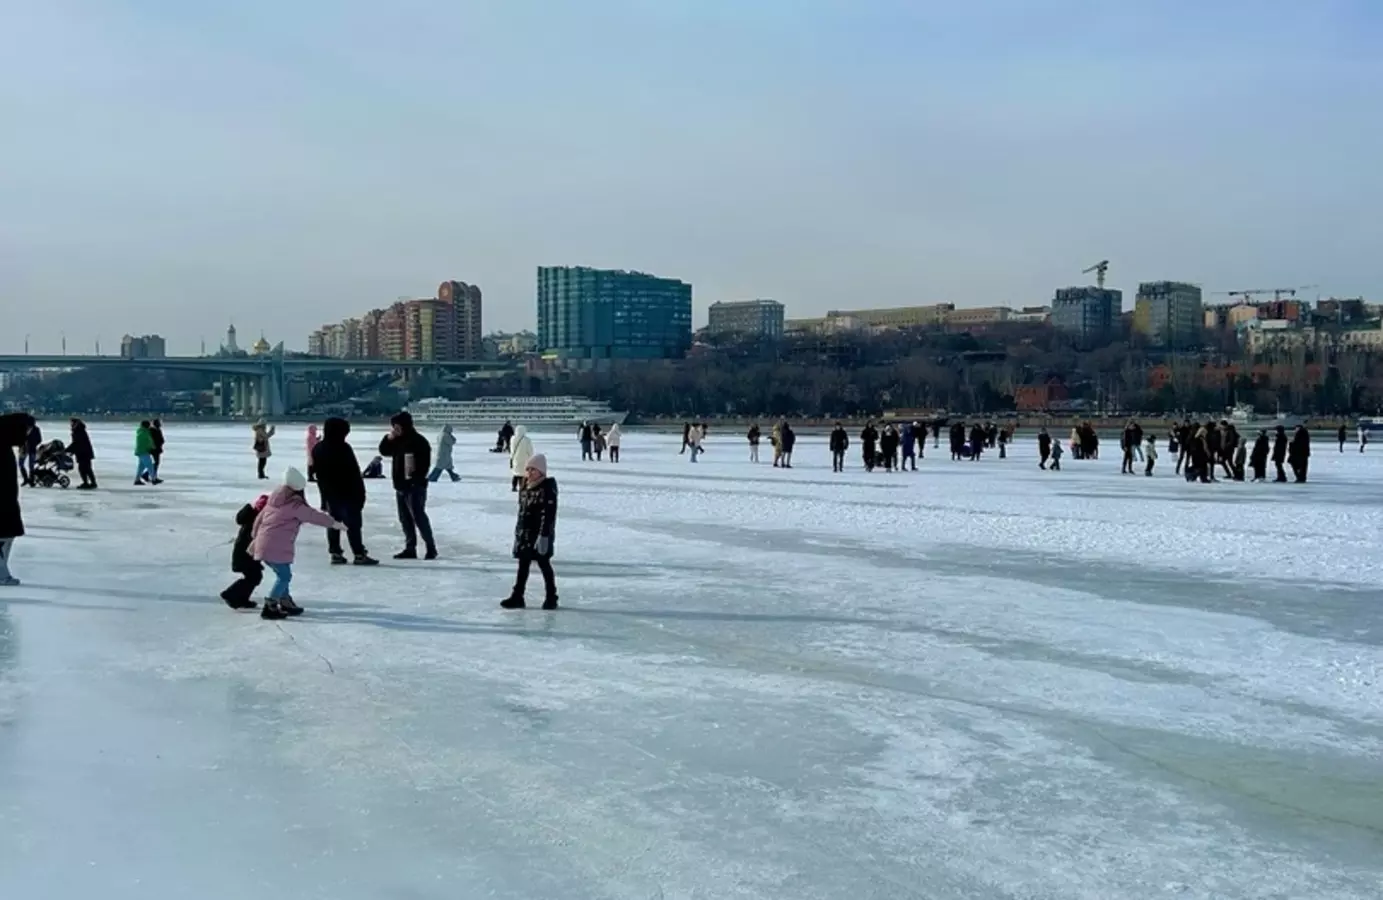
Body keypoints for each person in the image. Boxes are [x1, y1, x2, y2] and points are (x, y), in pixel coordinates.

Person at [251, 467, 345, 619]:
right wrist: (334, 523)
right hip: (275, 547)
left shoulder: (274, 501)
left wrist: (255, 538)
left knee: (282, 574)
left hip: (265, 545)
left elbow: (258, 521)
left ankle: (285, 601)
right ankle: (271, 605)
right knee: (284, 577)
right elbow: (314, 516)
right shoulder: (293, 505)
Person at [313, 417, 378, 566]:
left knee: (334, 524)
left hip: (330, 494)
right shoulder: (343, 448)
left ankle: (335, 553)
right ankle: (359, 554)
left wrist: (324, 497)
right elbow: (353, 473)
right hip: (349, 494)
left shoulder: (318, 448)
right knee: (353, 525)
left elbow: (319, 475)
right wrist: (361, 494)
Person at [501, 454, 559, 610]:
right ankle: (517, 596)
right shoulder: (525, 486)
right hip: (524, 534)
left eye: (533, 469)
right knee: (523, 565)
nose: (530, 472)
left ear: (542, 471)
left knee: (544, 564)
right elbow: (522, 512)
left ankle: (551, 596)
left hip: (539, 534)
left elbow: (548, 515)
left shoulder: (547, 487)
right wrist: (518, 534)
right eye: (528, 469)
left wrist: (544, 535)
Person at [379, 411, 436, 560]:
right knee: (405, 519)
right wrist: (389, 438)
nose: (394, 429)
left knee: (418, 517)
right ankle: (410, 548)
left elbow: (424, 464)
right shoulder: (398, 440)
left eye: (396, 426)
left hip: (414, 487)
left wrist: (415, 480)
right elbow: (384, 451)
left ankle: (431, 547)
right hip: (400, 486)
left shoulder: (419, 441)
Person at [0, 413, 35, 585]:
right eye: (27, 430)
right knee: (4, 536)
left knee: (6, 536)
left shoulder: (4, 444)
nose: (28, 435)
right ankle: (1, 574)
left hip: (6, 502)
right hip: (3, 504)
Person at [221, 494, 267, 610]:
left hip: (244, 554)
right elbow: (254, 541)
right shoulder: (255, 522)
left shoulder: (250, 516)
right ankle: (230, 594)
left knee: (254, 576)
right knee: (254, 576)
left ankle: (241, 598)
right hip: (246, 555)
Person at [69, 418, 97, 489]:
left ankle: (87, 483)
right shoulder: (80, 431)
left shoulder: (78, 432)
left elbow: (76, 443)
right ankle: (91, 483)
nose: (70, 425)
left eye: (72, 423)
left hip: (83, 453)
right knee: (87, 468)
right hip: (84, 453)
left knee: (84, 468)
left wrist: (68, 450)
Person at [134, 420, 161, 485]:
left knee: (141, 467)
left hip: (140, 451)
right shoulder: (145, 433)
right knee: (150, 466)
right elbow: (149, 442)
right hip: (143, 451)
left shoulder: (141, 431)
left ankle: (137, 480)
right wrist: (153, 447)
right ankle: (154, 480)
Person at [509, 425, 534, 492]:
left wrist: (511, 458)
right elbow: (530, 451)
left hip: (515, 459)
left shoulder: (513, 439)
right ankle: (522, 487)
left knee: (516, 474)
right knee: (523, 475)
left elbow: (511, 450)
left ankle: (514, 487)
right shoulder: (527, 440)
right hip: (525, 460)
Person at [19, 421, 40, 487]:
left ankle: (31, 481)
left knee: (30, 466)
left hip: (31, 449)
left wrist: (32, 444)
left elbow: (39, 439)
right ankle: (27, 479)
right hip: (24, 449)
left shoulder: (36, 429)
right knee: (21, 464)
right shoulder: (23, 429)